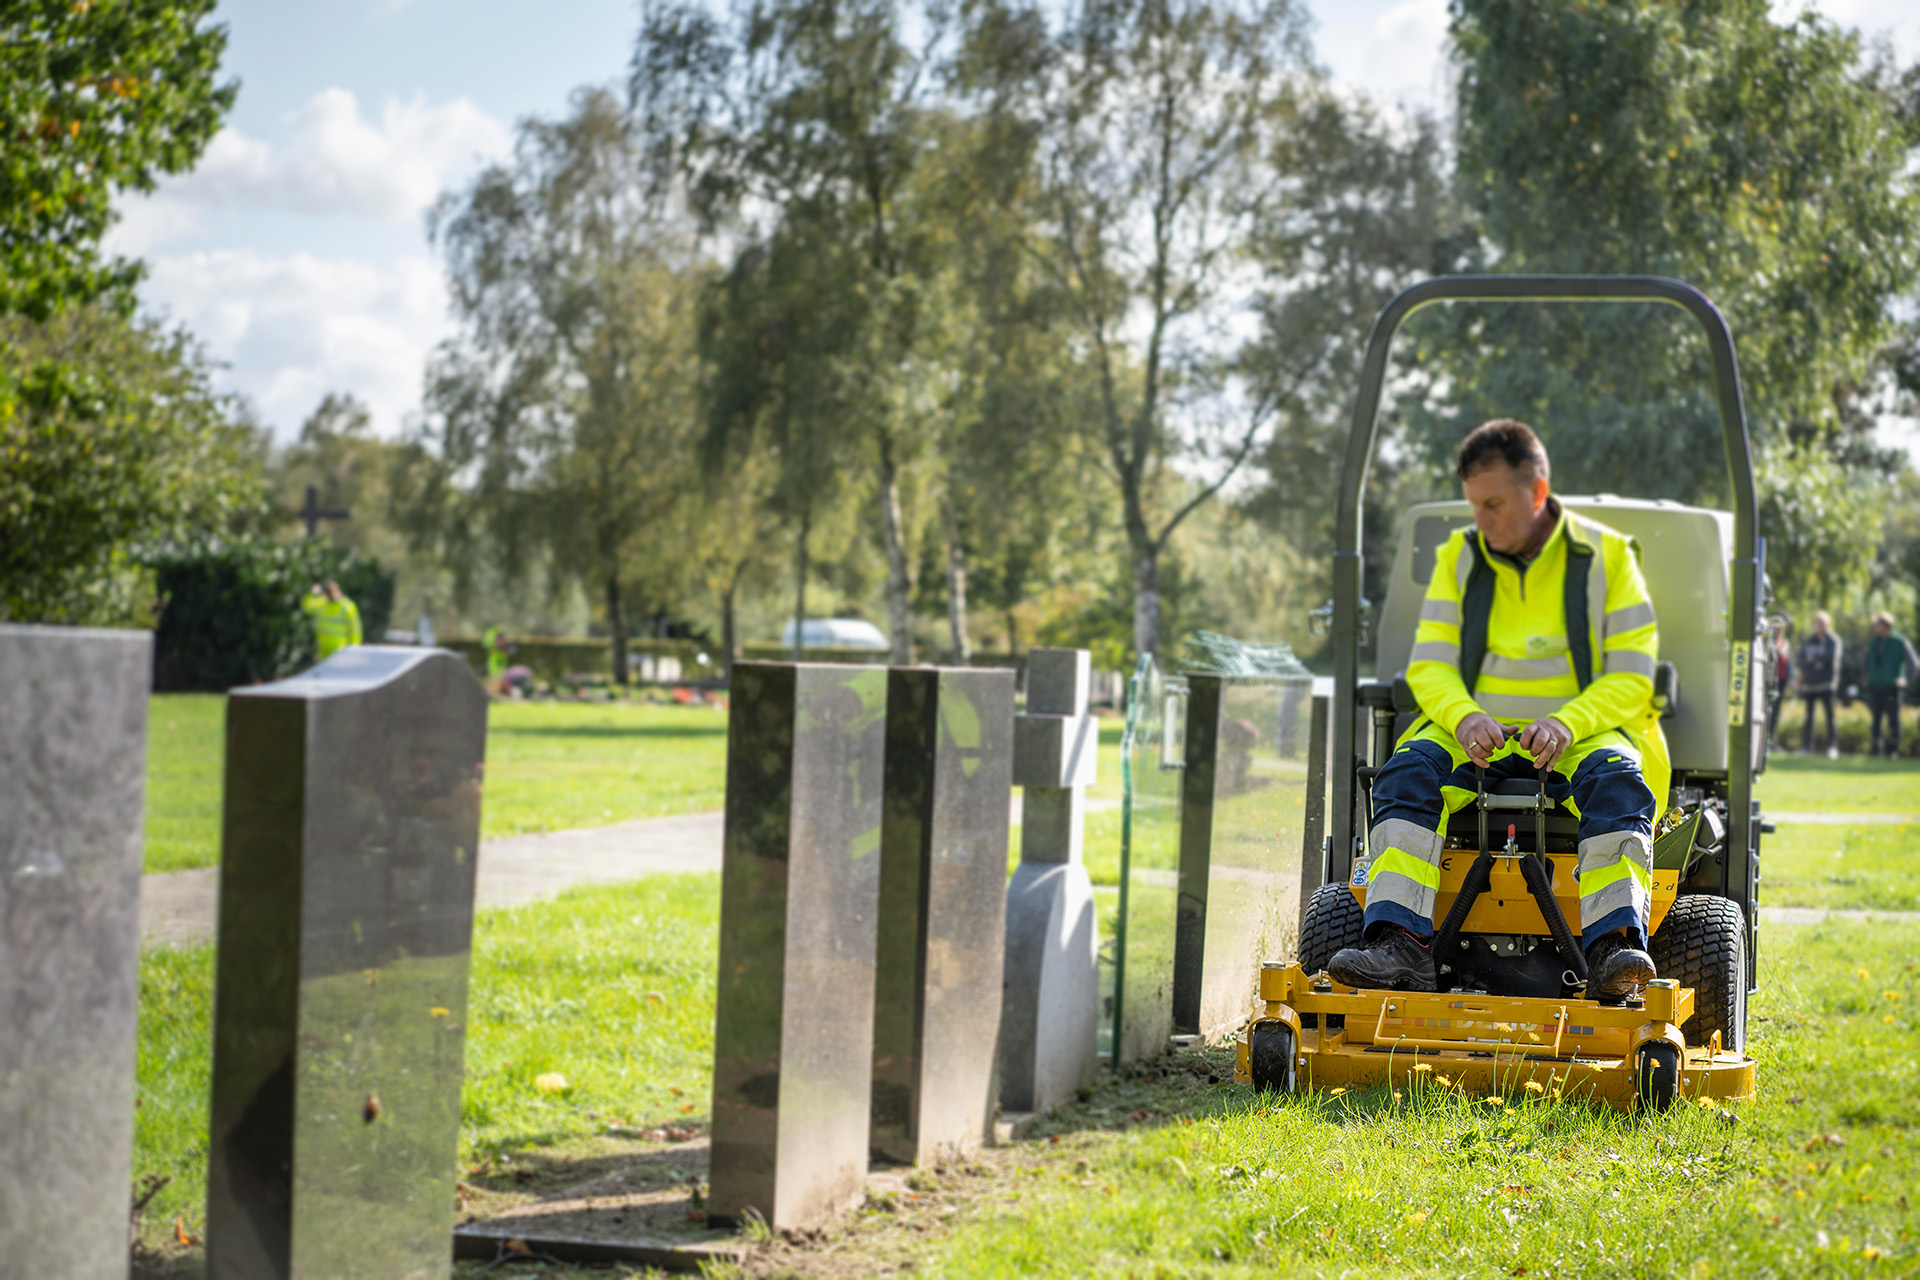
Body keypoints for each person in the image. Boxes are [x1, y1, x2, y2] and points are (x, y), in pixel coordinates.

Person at [1327, 419, 1667, 1002]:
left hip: (1581, 733)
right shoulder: (1460, 558)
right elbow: (1429, 665)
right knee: (1404, 772)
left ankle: (1614, 950)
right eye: (1473, 507)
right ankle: (1398, 945)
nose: (1481, 522)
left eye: (1493, 505)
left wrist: (1566, 722)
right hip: (1472, 731)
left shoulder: (1608, 557)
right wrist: (1462, 717)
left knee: (1618, 783)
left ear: (1537, 493)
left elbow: (1632, 676)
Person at [1864, 612, 1918, 758]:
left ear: (1885, 626)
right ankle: (1876, 749)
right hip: (1876, 686)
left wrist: (1906, 680)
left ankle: (1892, 750)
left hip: (1892, 689)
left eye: (1878, 625)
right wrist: (1865, 678)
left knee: (1893, 721)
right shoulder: (1874, 642)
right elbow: (1866, 662)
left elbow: (1914, 664)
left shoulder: (1900, 641)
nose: (1875, 627)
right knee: (1875, 720)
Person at [1797, 611, 1841, 758]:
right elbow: (1801, 659)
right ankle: (1806, 747)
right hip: (1810, 684)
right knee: (1809, 717)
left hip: (1827, 684)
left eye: (1822, 623)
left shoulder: (1833, 641)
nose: (1819, 626)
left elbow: (1830, 660)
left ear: (1827, 624)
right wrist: (1815, 662)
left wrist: (1813, 659)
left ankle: (1831, 747)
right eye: (1817, 623)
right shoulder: (1809, 641)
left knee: (1830, 716)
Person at [301, 579, 363, 661]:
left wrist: (354, 648)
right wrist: (312, 594)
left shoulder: (346, 606)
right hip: (322, 645)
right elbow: (307, 607)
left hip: (338, 646)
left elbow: (355, 629)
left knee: (334, 669)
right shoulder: (322, 603)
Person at [1767, 625, 1792, 748]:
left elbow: (1788, 662)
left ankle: (1772, 737)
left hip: (1781, 680)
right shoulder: (1769, 640)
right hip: (1769, 679)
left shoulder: (1785, 641)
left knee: (1776, 711)